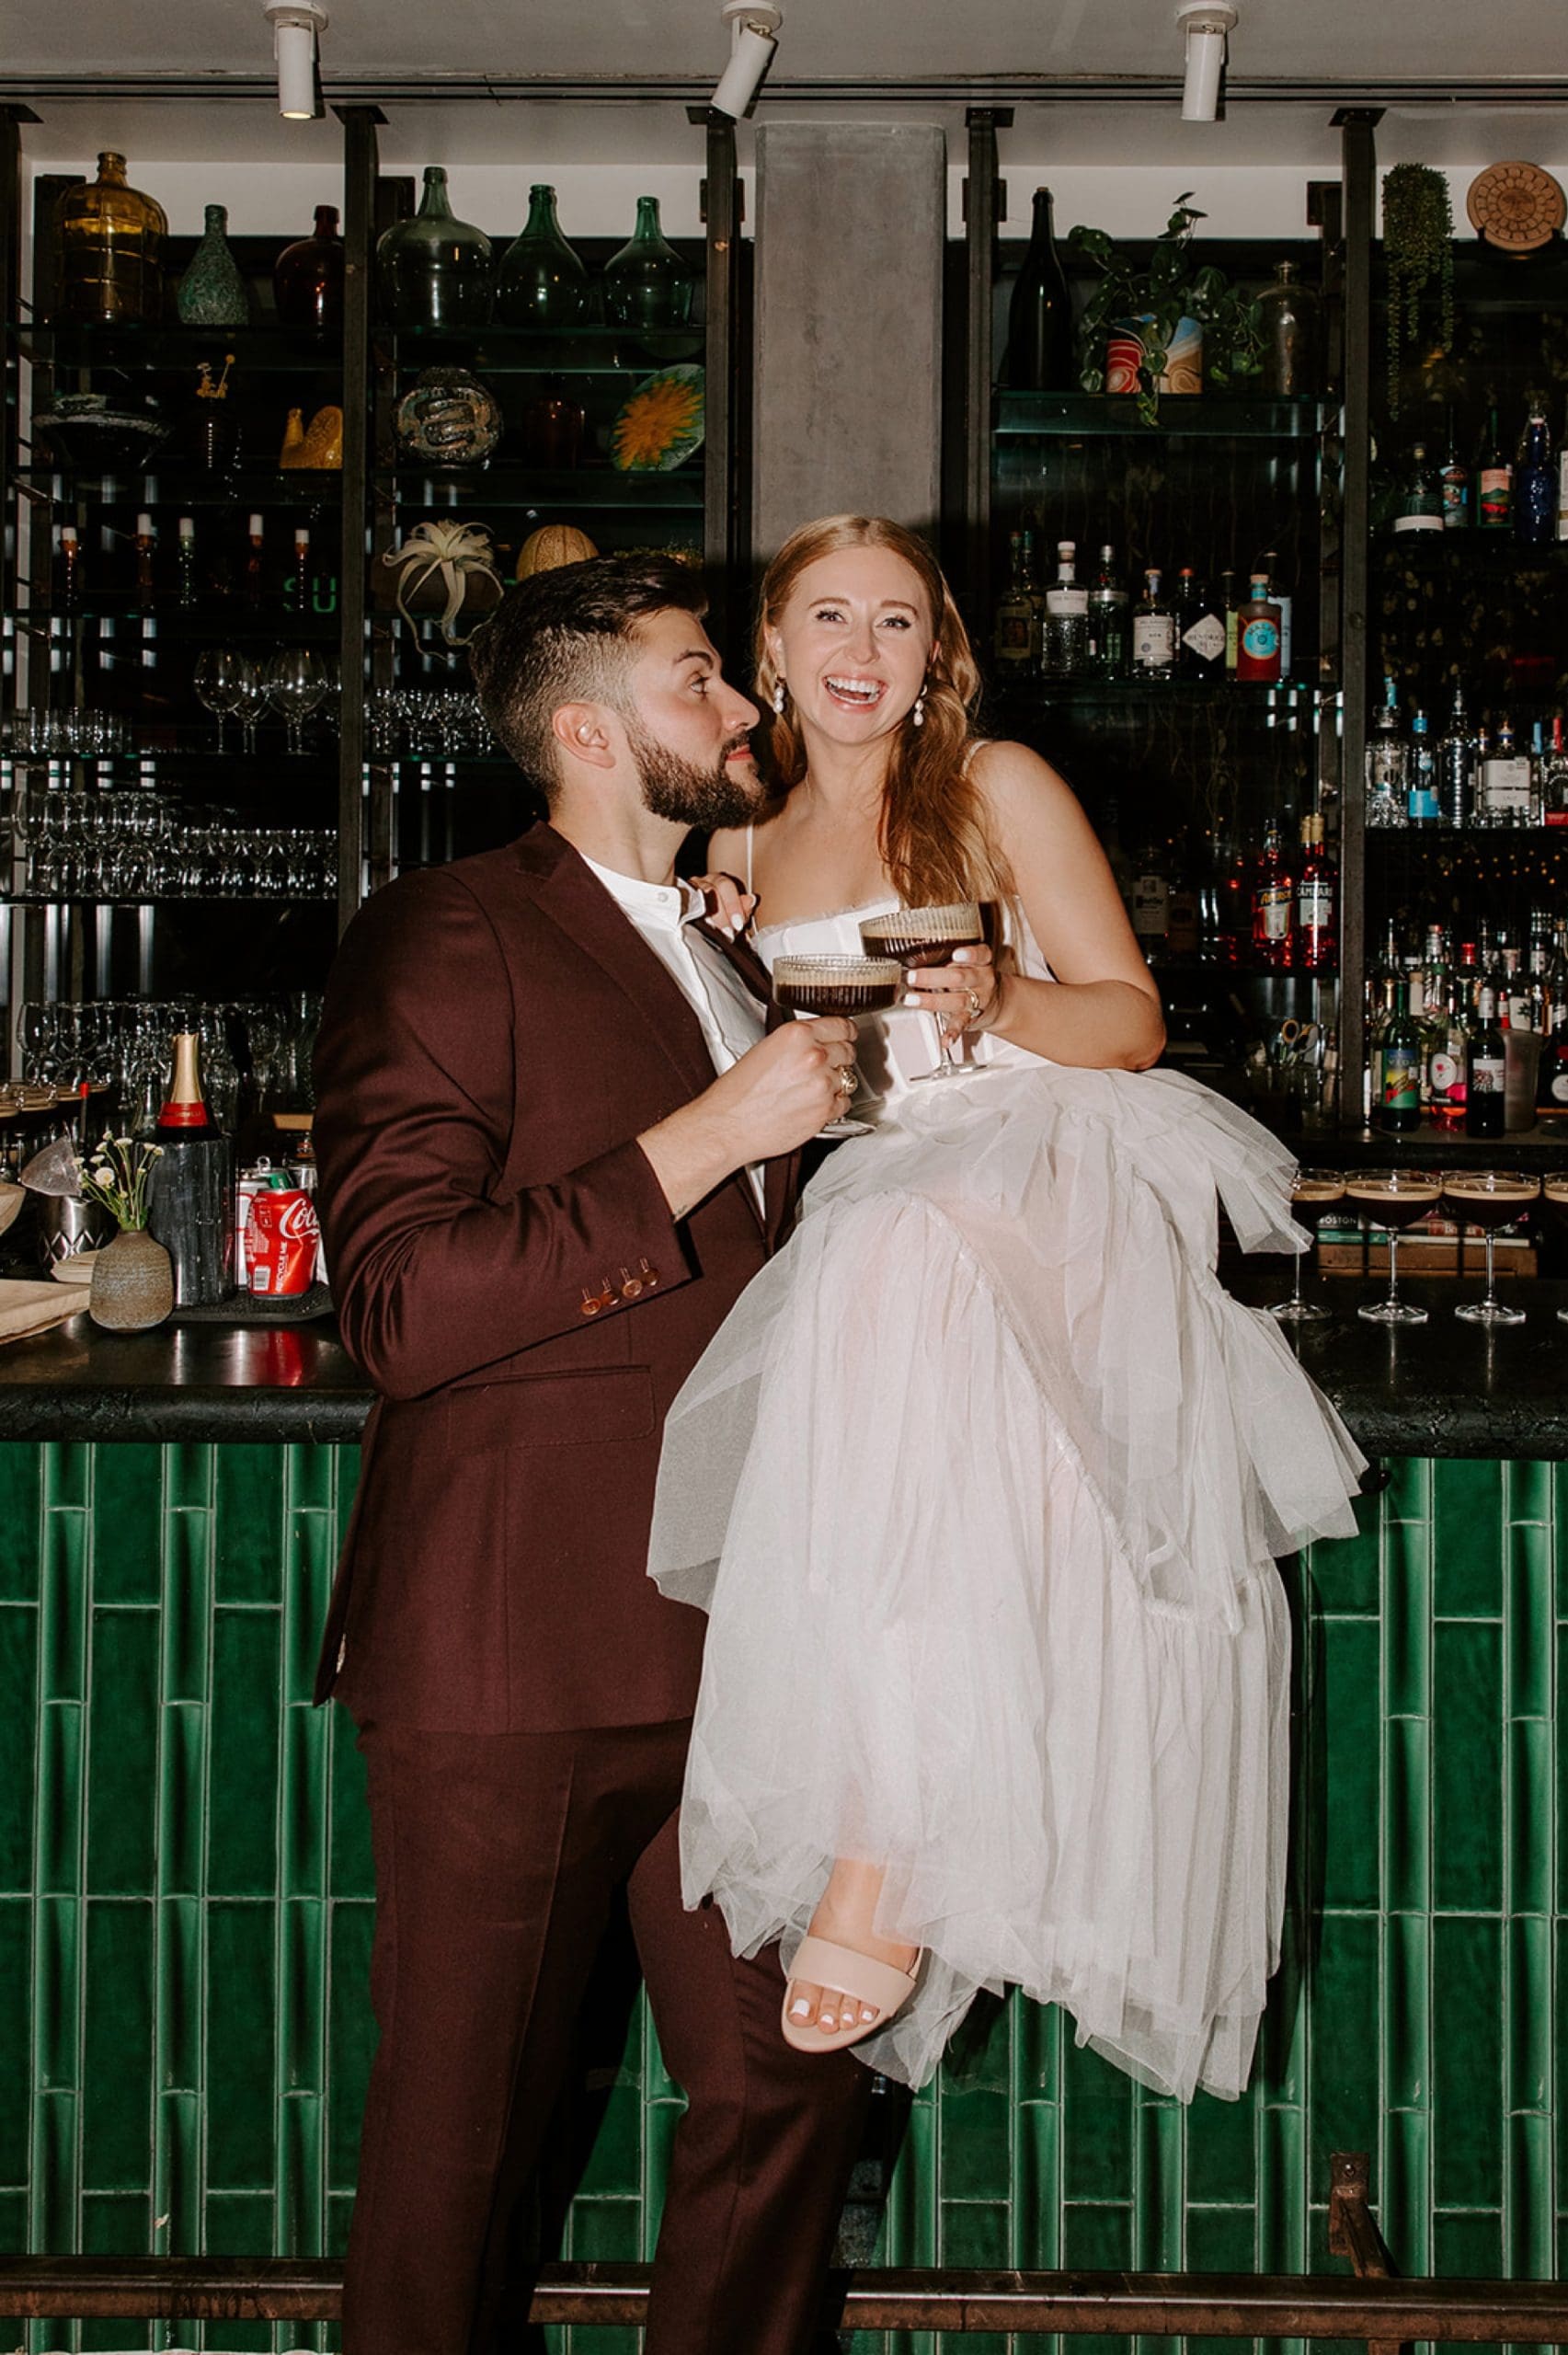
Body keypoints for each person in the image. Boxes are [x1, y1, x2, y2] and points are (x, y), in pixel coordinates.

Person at [647, 515, 1367, 2103]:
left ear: (934, 659)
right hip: (887, 1195)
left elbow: (1129, 1021)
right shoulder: (738, 848)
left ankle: (885, 1861)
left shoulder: (995, 787)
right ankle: (892, 1818)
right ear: (771, 651)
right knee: (883, 1350)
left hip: (1047, 1154)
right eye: (826, 616)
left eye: (896, 623)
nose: (859, 648)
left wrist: (1004, 997)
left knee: (893, 1252)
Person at [311, 552, 873, 2355]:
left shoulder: (726, 936)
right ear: (584, 727)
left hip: (737, 1649)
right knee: (461, 2164)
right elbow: (398, 1302)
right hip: (512, 1654)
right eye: (702, 678)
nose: (742, 707)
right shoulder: (446, 927)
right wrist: (716, 1128)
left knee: (791, 2091)